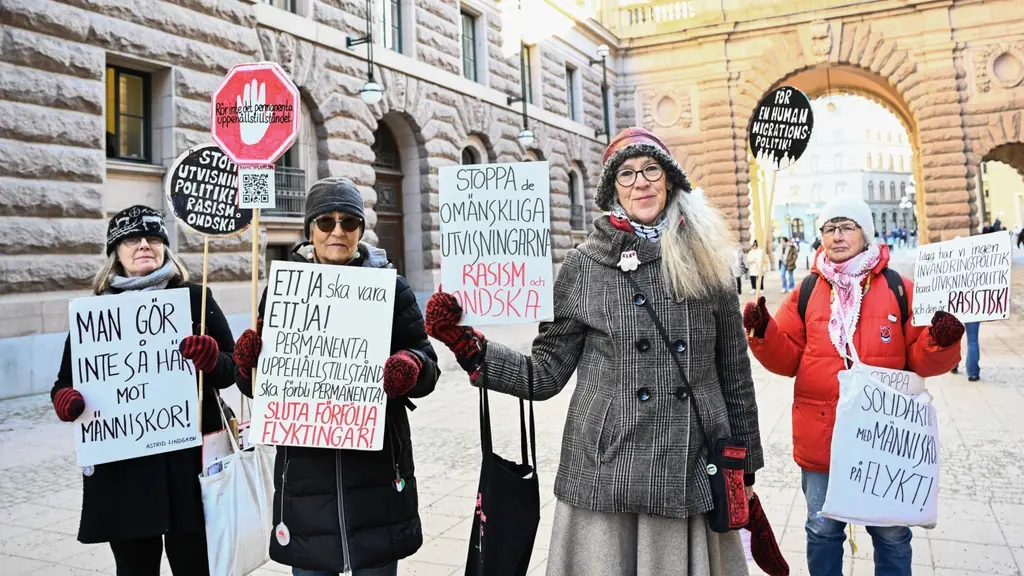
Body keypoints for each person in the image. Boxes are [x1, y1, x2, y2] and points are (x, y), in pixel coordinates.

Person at [425, 127, 764, 576]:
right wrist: (468, 346)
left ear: (669, 179)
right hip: (607, 467)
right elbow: (544, 373)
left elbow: (734, 374)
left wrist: (745, 464)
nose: (640, 182)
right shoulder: (585, 263)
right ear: (613, 189)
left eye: (650, 169)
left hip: (690, 461)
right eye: (626, 174)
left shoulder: (709, 257)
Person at [741, 195, 964, 576]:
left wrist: (942, 342)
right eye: (829, 229)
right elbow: (788, 359)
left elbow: (923, 360)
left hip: (883, 439)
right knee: (822, 530)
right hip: (822, 437)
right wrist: (763, 332)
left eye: (846, 227)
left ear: (865, 233)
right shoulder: (807, 292)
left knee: (891, 534)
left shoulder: (900, 288)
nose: (837, 236)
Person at [232, 177, 441, 576]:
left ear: (361, 230)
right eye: (326, 222)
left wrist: (408, 368)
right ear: (310, 230)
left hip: (377, 476)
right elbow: (258, 388)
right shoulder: (281, 291)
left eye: (349, 222)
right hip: (306, 482)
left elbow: (428, 368)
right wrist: (248, 365)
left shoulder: (391, 289)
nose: (338, 232)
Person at [50, 205, 238, 576]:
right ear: (115, 251)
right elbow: (65, 383)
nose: (143, 245)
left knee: (196, 565)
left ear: (166, 247)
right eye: (131, 239)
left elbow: (231, 371)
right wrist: (67, 401)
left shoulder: (196, 298)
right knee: (135, 568)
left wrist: (212, 359)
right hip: (125, 471)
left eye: (153, 238)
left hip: (188, 468)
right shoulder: (96, 313)